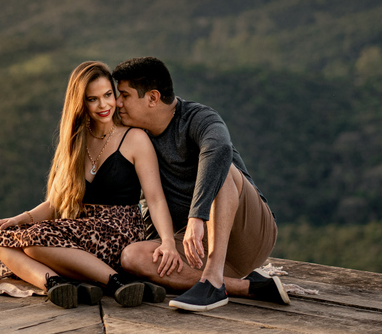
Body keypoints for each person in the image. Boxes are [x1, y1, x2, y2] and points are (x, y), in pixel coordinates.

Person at [0, 61, 182, 309]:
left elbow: (155, 199)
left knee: (34, 241)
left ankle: (116, 282)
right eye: (93, 99)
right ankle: (58, 285)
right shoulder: (76, 141)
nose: (104, 105)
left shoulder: (134, 138)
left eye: (108, 95)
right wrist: (19, 219)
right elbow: (56, 203)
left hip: (119, 232)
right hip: (80, 231)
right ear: (81, 103)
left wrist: (168, 242)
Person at [114, 57, 290, 312]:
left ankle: (213, 281)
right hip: (193, 246)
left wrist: (198, 216)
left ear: (152, 98)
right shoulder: (134, 136)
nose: (118, 103)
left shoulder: (197, 117)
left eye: (125, 95)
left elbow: (219, 148)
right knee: (133, 257)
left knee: (223, 167)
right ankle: (246, 287)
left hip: (247, 234)